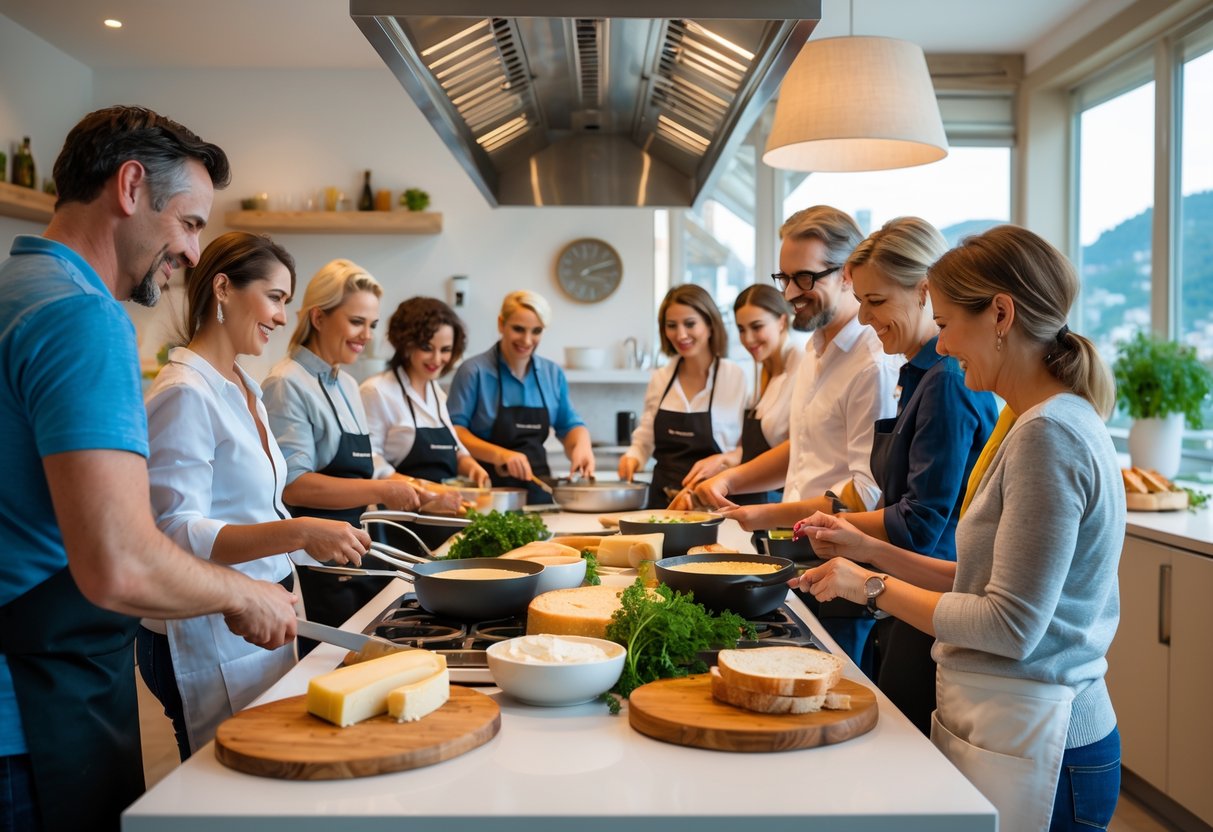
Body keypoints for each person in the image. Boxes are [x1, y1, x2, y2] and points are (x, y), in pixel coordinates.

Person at [0, 106, 297, 832]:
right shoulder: (83, 317)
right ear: (130, 187)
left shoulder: (14, 293)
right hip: (32, 714)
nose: (195, 255)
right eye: (191, 223)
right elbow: (119, 564)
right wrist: (239, 594)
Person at [792, 225, 1124, 832]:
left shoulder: (1048, 435)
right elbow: (983, 581)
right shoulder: (1036, 423)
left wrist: (869, 587)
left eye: (944, 325)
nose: (940, 347)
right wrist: (868, 552)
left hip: (1047, 740)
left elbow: (1010, 625)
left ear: (1001, 313)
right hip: (1016, 727)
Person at [140, 233, 370, 758]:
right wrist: (301, 529)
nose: (283, 317)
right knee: (224, 787)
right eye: (275, 297)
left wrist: (303, 545)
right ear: (223, 288)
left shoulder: (244, 385)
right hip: (207, 624)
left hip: (265, 613)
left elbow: (252, 507)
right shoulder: (183, 392)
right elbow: (174, 530)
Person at [784, 217, 999, 733]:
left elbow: (923, 521)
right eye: (860, 301)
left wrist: (848, 532)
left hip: (937, 594)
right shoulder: (916, 374)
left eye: (875, 302)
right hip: (910, 586)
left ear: (925, 291)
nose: (863, 315)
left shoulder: (947, 380)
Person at [693, 205, 901, 667]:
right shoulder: (816, 348)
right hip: (794, 561)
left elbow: (864, 495)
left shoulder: (874, 363)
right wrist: (732, 480)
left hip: (839, 572)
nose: (790, 293)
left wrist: (766, 512)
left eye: (805, 278)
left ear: (849, 274)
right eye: (783, 278)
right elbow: (806, 447)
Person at [262, 260, 454, 629]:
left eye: (372, 324)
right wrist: (383, 489)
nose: (367, 335)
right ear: (318, 318)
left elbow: (370, 465)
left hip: (356, 548)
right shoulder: (286, 383)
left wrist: (415, 489)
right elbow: (294, 484)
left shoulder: (348, 385)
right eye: (356, 322)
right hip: (314, 563)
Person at [447, 290, 594, 504]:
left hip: (538, 490)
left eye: (536, 331)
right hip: (487, 493)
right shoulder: (473, 372)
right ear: (501, 324)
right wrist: (502, 455)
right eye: (518, 329)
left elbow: (569, 425)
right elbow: (454, 432)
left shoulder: (552, 374)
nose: (527, 340)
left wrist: (582, 445)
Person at [619, 284, 746, 509]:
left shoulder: (735, 377)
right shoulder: (661, 378)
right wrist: (633, 456)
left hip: (715, 506)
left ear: (709, 324)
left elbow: (748, 448)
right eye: (671, 325)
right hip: (663, 504)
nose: (681, 334)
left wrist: (724, 460)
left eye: (690, 324)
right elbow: (645, 437)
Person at [673, 284, 801, 507]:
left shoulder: (802, 364)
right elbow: (760, 447)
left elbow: (799, 447)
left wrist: (727, 475)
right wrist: (725, 460)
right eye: (742, 330)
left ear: (782, 321)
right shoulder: (763, 368)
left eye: (757, 327)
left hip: (784, 500)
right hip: (756, 497)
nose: (748, 339)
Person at [361, 296, 490, 506]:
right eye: (427, 348)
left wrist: (468, 464)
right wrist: (423, 488)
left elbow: (453, 447)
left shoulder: (436, 393)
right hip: (400, 518)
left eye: (445, 350)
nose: (437, 359)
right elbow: (369, 461)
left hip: (442, 513)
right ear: (405, 344)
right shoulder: (377, 391)